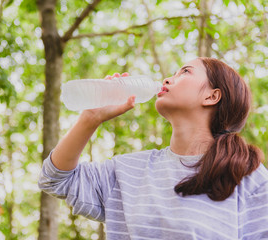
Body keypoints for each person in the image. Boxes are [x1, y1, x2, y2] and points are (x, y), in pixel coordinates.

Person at [38, 57, 268, 239]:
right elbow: (55, 179)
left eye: (185, 71)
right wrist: (91, 117)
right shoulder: (128, 171)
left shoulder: (246, 176)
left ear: (212, 96)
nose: (168, 79)